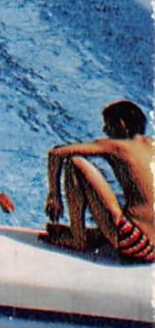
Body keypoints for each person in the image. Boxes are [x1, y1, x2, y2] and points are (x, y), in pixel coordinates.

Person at [44, 100, 153, 262]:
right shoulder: (151, 144)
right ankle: (98, 234)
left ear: (121, 125)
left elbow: (56, 153)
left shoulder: (117, 146)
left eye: (107, 124)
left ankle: (77, 237)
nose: (104, 130)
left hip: (135, 242)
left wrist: (54, 195)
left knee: (75, 162)